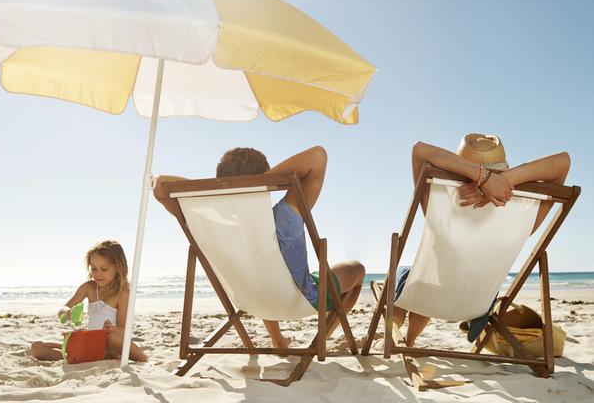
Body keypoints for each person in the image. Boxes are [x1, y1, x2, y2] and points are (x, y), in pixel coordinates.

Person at [154, 146, 365, 349]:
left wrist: (219, 191)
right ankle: (320, 340)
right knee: (357, 269)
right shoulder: (285, 217)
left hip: (251, 300)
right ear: (266, 178)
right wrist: (262, 184)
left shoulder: (210, 224)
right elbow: (317, 156)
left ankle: (278, 340)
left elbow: (160, 185)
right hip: (302, 299)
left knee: (259, 272)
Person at [392, 133, 570, 347]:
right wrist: (504, 180)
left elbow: (419, 150)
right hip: (476, 306)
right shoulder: (524, 217)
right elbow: (564, 162)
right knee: (428, 282)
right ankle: (407, 338)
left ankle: (404, 336)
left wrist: (482, 177)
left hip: (427, 298)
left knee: (410, 275)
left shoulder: (441, 203)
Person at [30, 240, 148, 362]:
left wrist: (111, 328)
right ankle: (80, 357)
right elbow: (62, 311)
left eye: (104, 269)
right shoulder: (89, 288)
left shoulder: (122, 293)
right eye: (94, 269)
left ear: (118, 268)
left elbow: (123, 330)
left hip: (109, 345)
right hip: (89, 344)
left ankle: (142, 358)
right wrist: (67, 312)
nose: (97, 274)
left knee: (114, 337)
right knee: (37, 347)